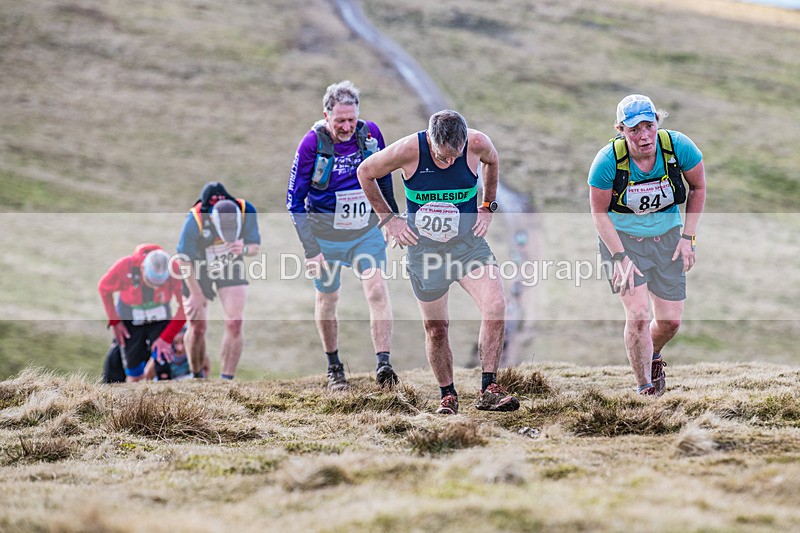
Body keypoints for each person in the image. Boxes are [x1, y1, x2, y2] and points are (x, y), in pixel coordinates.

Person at [357, 109, 520, 415]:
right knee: (436, 328)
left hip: (468, 246)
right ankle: (447, 395)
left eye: (455, 157)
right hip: (426, 254)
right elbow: (366, 172)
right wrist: (388, 220)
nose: (449, 162)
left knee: (496, 305)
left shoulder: (477, 144)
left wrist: (488, 205)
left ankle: (489, 389)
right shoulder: (408, 150)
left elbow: (493, 160)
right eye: (443, 157)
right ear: (430, 140)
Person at [588, 94, 706, 396]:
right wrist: (620, 258)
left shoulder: (678, 148)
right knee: (638, 314)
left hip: (668, 239)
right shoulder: (607, 162)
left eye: (648, 126)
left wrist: (687, 237)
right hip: (624, 242)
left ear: (657, 122)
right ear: (620, 130)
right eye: (634, 130)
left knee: (670, 321)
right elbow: (599, 213)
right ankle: (645, 389)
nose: (643, 136)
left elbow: (699, 187)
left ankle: (652, 355)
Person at [287, 80, 400, 390]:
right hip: (324, 235)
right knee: (328, 296)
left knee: (376, 288)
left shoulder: (371, 135)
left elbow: (384, 177)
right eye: (340, 121)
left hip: (365, 231)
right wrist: (312, 250)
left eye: (352, 119)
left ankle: (383, 364)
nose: (347, 126)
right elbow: (294, 202)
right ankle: (334, 367)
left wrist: (390, 217)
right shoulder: (311, 144)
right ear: (326, 116)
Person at [177, 181, 261, 380]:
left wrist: (244, 249)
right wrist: (196, 293)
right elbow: (183, 259)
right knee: (197, 327)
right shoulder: (196, 219)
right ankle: (196, 376)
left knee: (235, 322)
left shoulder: (245, 210)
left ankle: (226, 380)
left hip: (229, 264)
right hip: (197, 268)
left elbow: (255, 247)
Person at [98, 244, 186, 383]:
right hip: (131, 318)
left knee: (163, 365)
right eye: (151, 282)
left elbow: (186, 307)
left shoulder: (174, 269)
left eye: (160, 284)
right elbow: (103, 288)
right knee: (134, 373)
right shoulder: (124, 267)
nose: (155, 287)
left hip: (160, 317)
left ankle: (164, 398)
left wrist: (166, 338)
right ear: (142, 269)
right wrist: (115, 321)